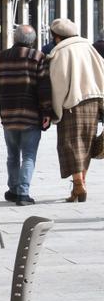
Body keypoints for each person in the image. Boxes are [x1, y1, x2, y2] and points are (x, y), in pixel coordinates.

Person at [0, 24, 52, 206]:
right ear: (33, 41)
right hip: (31, 115)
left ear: (15, 38)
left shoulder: (0, 58)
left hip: (8, 115)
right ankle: (23, 193)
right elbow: (43, 88)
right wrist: (47, 111)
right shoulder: (38, 57)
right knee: (29, 155)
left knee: (12, 155)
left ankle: (14, 190)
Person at [44, 17, 104, 202]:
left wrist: (55, 110)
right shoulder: (89, 47)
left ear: (56, 36)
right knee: (86, 144)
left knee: (70, 145)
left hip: (72, 104)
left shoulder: (60, 52)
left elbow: (59, 83)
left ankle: (78, 184)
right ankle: (78, 187)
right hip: (93, 102)